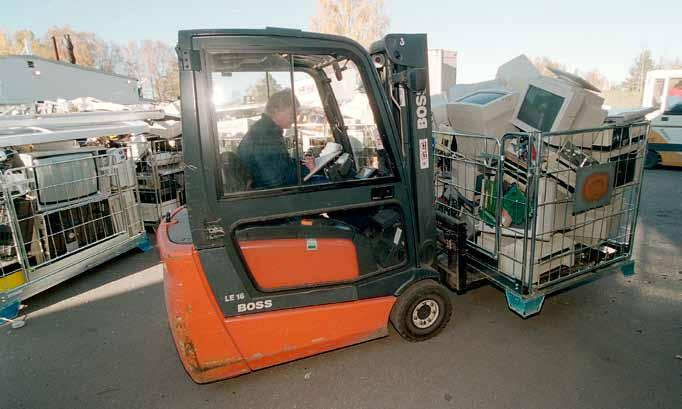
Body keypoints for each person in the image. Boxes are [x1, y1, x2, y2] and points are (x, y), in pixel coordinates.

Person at [237, 89, 315, 189]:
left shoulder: (268, 131)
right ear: (275, 110)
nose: (295, 119)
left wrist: (304, 163)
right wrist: (308, 169)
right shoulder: (264, 136)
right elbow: (276, 179)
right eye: (292, 114)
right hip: (268, 196)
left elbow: (282, 163)